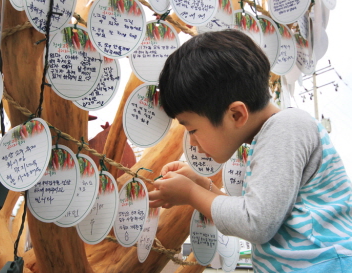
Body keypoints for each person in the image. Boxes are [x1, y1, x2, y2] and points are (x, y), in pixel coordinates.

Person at [148, 29, 352, 272]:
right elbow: (256, 213)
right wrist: (203, 186)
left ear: (236, 114)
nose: (192, 143)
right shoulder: (275, 133)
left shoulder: (287, 127)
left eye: (192, 130)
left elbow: (255, 223)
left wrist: (191, 193)